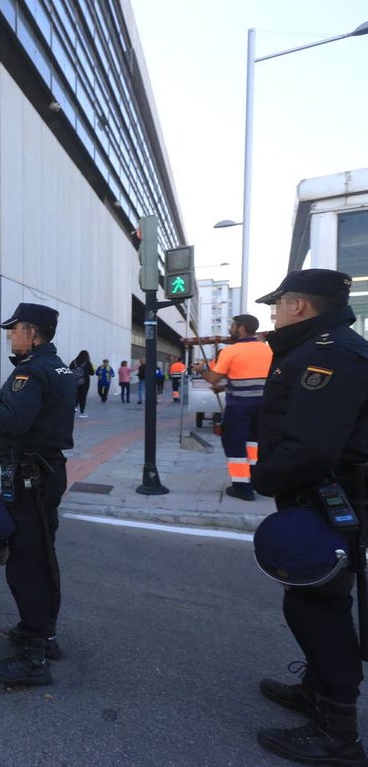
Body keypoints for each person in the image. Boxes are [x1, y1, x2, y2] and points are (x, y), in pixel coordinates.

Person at [248, 269, 368, 765]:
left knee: (317, 605)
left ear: (298, 305)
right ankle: (318, 690)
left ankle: (338, 732)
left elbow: (311, 446)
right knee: (315, 597)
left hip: (327, 497)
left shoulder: (329, 354)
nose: (274, 313)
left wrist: (264, 478)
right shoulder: (320, 347)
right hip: (322, 494)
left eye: (278, 304)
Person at [0, 303, 75, 686]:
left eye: (14, 329)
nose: (10, 335)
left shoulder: (30, 372)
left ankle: (34, 655)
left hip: (31, 477)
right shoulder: (59, 367)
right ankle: (43, 634)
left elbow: (12, 422)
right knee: (43, 556)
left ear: (32, 333)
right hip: (45, 473)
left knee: (27, 564)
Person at [191, 314, 273, 501]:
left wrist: (201, 371)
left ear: (242, 328)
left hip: (239, 407)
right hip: (263, 406)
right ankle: (254, 479)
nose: (231, 329)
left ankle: (242, 487)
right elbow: (253, 380)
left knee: (234, 444)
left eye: (233, 325)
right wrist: (224, 387)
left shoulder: (231, 351)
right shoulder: (268, 350)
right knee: (254, 443)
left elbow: (213, 378)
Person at [69, 350, 94, 418]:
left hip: (74, 382)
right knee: (83, 397)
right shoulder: (87, 363)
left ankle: (73, 410)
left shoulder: (73, 362)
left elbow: (69, 371)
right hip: (84, 383)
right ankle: (82, 413)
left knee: (75, 396)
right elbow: (92, 373)